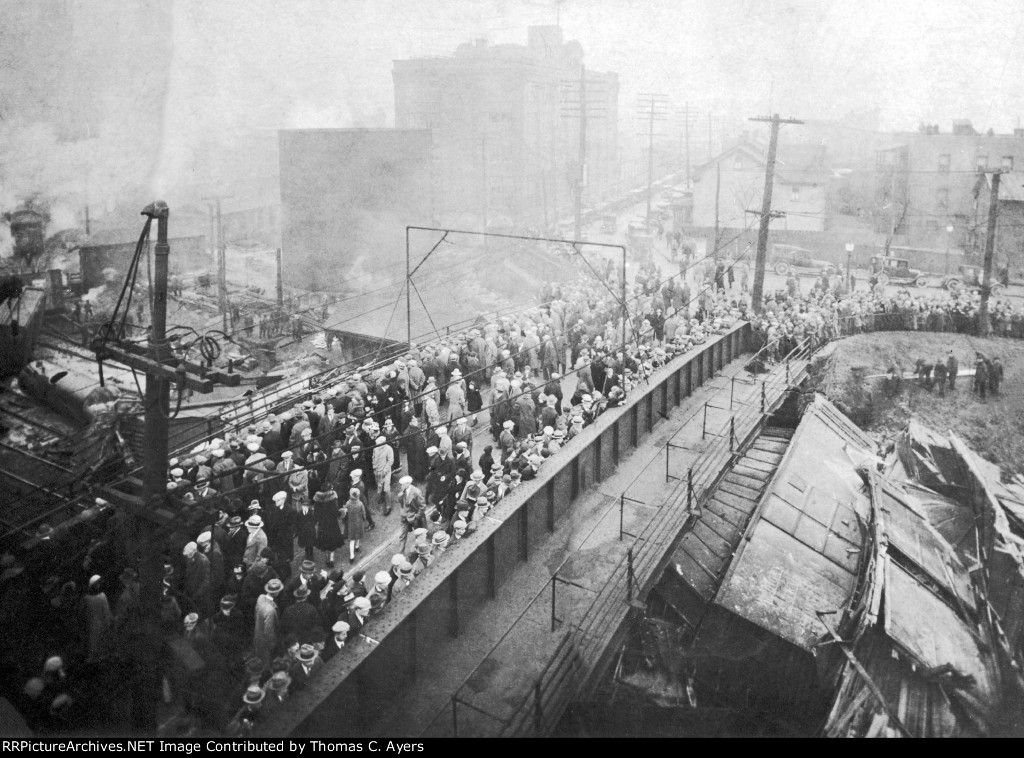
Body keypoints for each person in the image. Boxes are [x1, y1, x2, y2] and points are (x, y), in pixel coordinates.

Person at [313, 485, 344, 569]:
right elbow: (336, 513)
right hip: (332, 524)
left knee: (325, 542)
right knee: (333, 542)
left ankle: (327, 559)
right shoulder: (332, 500)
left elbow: (315, 515)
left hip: (322, 525)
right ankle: (331, 559)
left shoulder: (317, 501)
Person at [343, 488, 369, 565]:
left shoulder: (348, 503)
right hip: (359, 523)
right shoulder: (360, 504)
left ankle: (352, 556)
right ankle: (357, 547)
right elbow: (364, 513)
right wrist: (364, 519)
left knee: (351, 540)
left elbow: (345, 512)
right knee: (358, 536)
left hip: (351, 523)